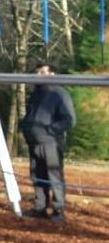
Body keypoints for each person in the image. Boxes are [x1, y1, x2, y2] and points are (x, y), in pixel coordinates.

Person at [20, 62, 76, 222]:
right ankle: (40, 208)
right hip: (34, 143)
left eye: (42, 72)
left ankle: (59, 210)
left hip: (51, 143)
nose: (38, 76)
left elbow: (69, 120)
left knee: (54, 176)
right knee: (37, 176)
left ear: (52, 74)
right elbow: (31, 115)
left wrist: (49, 131)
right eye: (36, 72)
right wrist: (25, 126)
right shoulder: (35, 94)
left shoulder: (60, 94)